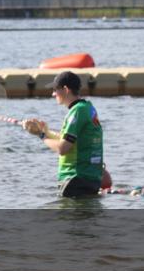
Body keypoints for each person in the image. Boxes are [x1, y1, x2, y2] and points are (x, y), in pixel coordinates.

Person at [22, 71, 104, 199]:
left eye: (55, 90)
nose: (53, 94)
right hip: (90, 180)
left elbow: (63, 148)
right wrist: (47, 132)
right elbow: (72, 140)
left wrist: (41, 135)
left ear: (65, 90)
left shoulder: (77, 111)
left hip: (75, 180)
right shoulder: (87, 108)